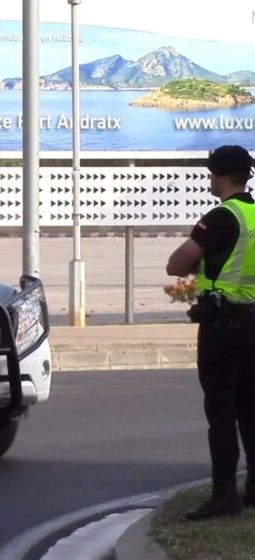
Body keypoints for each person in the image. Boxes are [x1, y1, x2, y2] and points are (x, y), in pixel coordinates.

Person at [166, 145, 255, 521]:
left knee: (220, 412)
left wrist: (204, 258)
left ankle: (224, 495)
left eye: (211, 173)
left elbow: (176, 264)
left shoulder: (221, 217)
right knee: (251, 410)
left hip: (224, 326)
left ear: (219, 176)